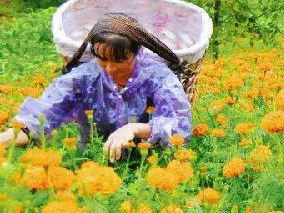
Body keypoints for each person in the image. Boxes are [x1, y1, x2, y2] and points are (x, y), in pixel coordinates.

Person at [0, 13, 193, 161]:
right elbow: (41, 116)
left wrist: (133, 128)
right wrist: (7, 139)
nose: (110, 68)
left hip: (148, 166)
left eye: (119, 60)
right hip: (92, 161)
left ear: (136, 52)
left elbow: (179, 127)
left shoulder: (158, 77)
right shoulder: (84, 76)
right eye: (102, 59)